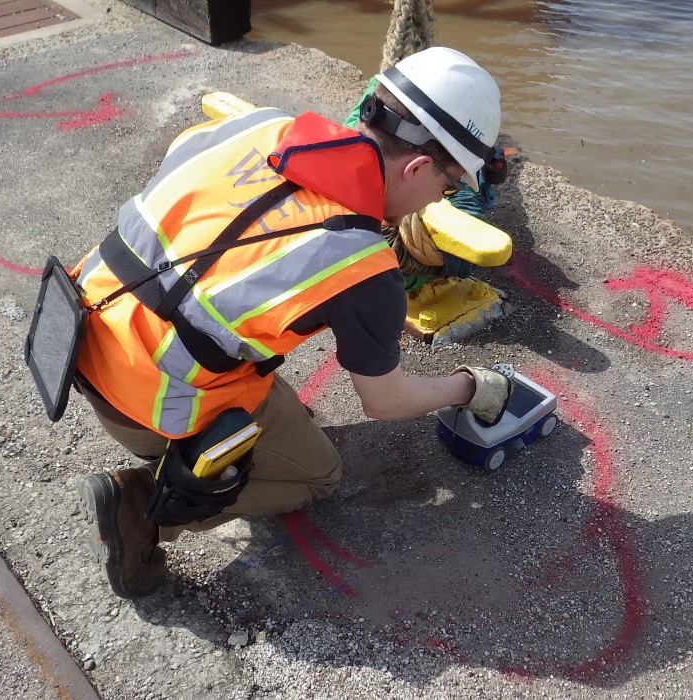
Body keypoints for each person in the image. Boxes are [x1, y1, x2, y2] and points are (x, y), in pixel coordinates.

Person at [71, 46, 512, 599]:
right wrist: (470, 388)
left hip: (85, 329)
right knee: (317, 474)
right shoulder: (361, 264)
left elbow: (221, 251)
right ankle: (140, 506)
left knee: (260, 380)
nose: (437, 200)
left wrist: (372, 316)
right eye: (447, 188)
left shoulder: (262, 126)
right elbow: (386, 402)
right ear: (418, 167)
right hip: (146, 395)